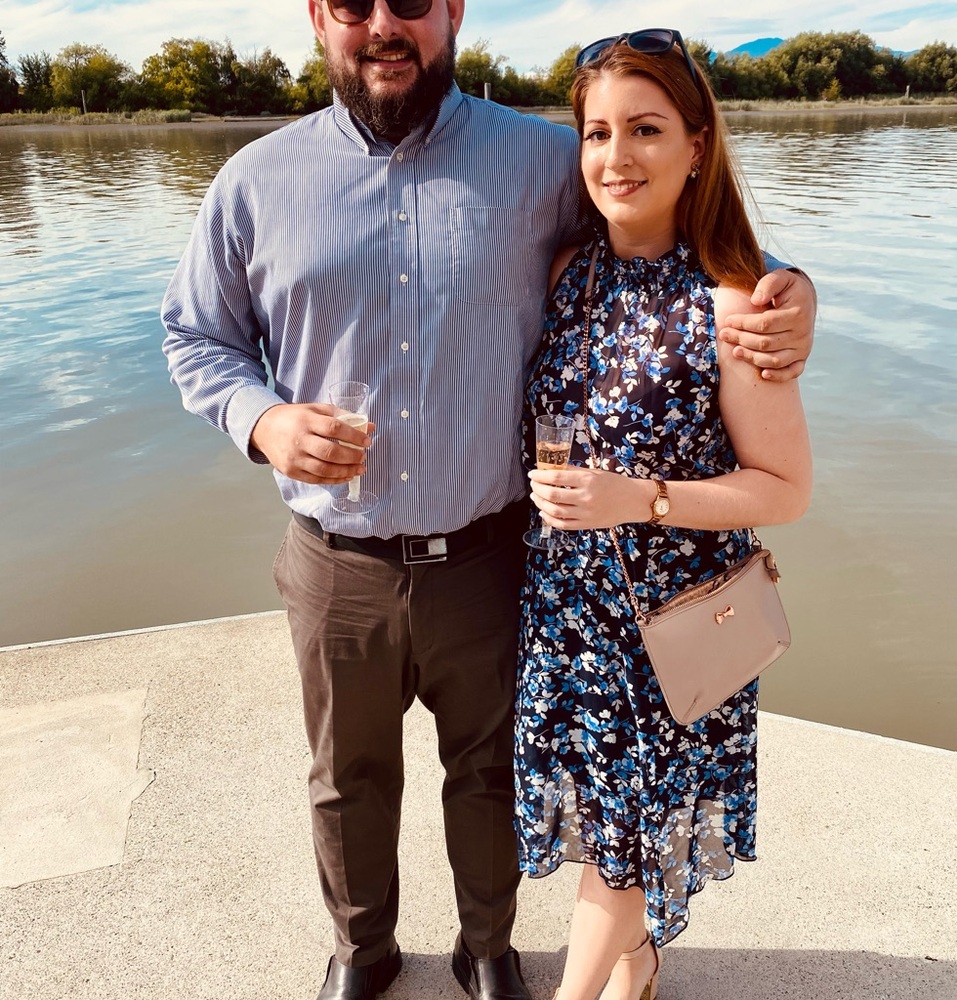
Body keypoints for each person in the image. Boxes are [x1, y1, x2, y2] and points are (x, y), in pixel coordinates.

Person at [161, 4, 815, 999]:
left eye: (412, 1)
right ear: (317, 17)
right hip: (339, 561)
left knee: (490, 773)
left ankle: (486, 945)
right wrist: (262, 419)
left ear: (452, 12)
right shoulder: (252, 181)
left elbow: (673, 218)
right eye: (353, 3)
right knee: (347, 781)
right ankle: (361, 951)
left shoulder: (543, 160)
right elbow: (194, 338)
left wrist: (792, 291)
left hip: (494, 558)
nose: (385, 24)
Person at [514, 29, 813, 1000]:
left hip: (668, 628)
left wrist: (633, 499)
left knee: (621, 855)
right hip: (566, 618)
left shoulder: (734, 301)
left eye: (644, 129)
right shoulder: (568, 276)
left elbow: (784, 487)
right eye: (596, 133)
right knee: (606, 836)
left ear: (696, 144)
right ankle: (637, 966)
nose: (614, 157)